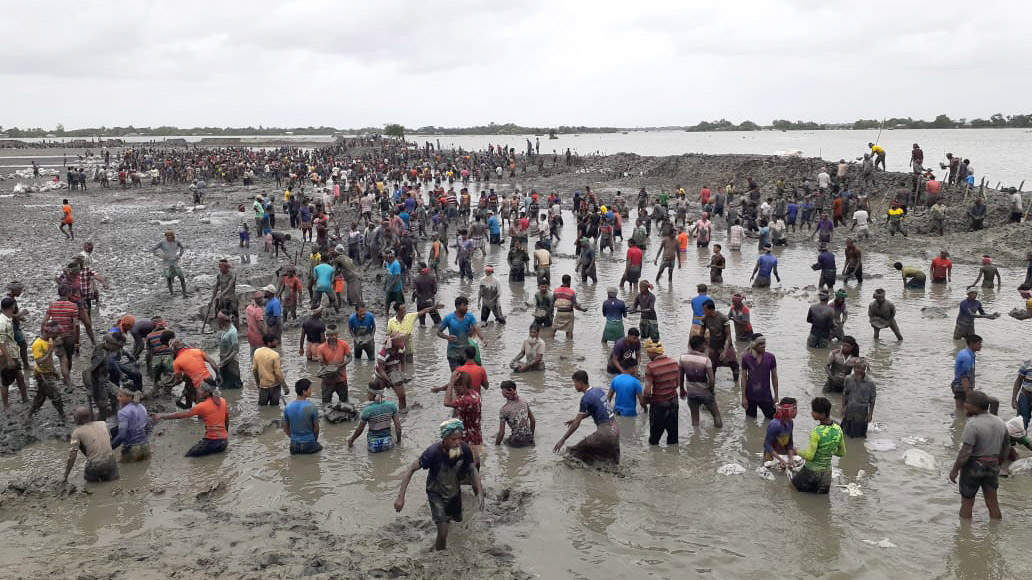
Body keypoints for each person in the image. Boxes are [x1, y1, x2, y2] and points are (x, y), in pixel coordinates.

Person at [394, 419, 483, 551]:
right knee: (443, 531)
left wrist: (479, 492)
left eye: (459, 438)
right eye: (453, 439)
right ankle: (440, 555)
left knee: (455, 521)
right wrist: (400, 497)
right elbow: (410, 469)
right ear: (445, 439)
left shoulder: (463, 449)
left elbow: (472, 469)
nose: (457, 442)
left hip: (453, 491)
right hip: (436, 493)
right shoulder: (433, 452)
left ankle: (437, 545)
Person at [949, 391, 1008, 520]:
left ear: (976, 406)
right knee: (993, 503)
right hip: (992, 466)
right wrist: (999, 464)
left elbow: (965, 452)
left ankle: (964, 535)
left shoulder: (972, 424)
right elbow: (1005, 448)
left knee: (967, 503)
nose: (965, 405)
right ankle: (995, 533)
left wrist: (954, 470)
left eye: (967, 403)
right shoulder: (1000, 423)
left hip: (973, 467)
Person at [553, 370, 620, 463]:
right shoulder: (599, 390)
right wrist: (576, 419)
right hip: (616, 431)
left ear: (580, 383)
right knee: (612, 462)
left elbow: (576, 424)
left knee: (572, 452)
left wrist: (562, 439)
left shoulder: (585, 398)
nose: (574, 386)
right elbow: (596, 409)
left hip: (604, 434)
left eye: (575, 383)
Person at [153, 381, 229, 457]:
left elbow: (180, 415)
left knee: (188, 457)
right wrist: (225, 436)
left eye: (201, 389)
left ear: (207, 392)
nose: (199, 391)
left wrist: (162, 415)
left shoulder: (202, 406)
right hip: (224, 443)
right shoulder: (223, 401)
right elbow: (226, 420)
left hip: (211, 443)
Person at [791, 397, 845, 494]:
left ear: (822, 414)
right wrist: (829, 450)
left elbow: (809, 456)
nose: (812, 413)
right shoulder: (838, 429)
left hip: (811, 471)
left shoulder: (816, 432)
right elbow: (842, 453)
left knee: (792, 488)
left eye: (814, 411)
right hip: (827, 474)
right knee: (821, 500)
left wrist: (796, 451)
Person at [63, 407, 118, 483]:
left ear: (77, 419)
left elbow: (72, 456)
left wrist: (65, 476)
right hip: (111, 463)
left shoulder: (77, 432)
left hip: (95, 466)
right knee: (114, 484)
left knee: (92, 487)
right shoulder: (103, 424)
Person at [678, 334, 722, 428]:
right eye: (704, 345)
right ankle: (718, 435)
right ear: (701, 345)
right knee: (716, 415)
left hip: (691, 393)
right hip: (705, 393)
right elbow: (712, 380)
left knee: (695, 419)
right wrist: (711, 390)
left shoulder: (682, 358)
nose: (705, 347)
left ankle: (695, 438)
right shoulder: (706, 360)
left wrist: (681, 389)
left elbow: (680, 376)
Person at [643, 340, 680, 445]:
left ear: (652, 352)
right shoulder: (674, 362)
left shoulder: (650, 367)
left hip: (659, 404)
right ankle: (673, 457)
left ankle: (655, 459)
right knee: (673, 436)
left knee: (654, 439)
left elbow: (647, 391)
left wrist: (646, 401)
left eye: (647, 352)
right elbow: (677, 383)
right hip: (673, 401)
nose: (647, 354)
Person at [951, 334, 1000, 414]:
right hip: (962, 387)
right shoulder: (967, 357)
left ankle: (959, 422)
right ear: (971, 344)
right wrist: (969, 395)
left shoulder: (966, 353)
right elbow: (964, 378)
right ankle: (992, 420)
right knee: (994, 401)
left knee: (961, 410)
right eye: (979, 344)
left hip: (959, 386)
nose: (980, 346)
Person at [349, 382, 401, 452]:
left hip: (373, 446)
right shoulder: (392, 406)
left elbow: (360, 430)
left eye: (367, 393)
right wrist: (398, 441)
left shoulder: (367, 410)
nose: (367, 395)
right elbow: (398, 427)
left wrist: (351, 440)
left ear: (372, 394)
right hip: (388, 444)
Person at [437, 297, 485, 371]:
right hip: (452, 353)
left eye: (466, 305)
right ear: (457, 306)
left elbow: (477, 328)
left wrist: (483, 338)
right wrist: (447, 337)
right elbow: (439, 332)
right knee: (456, 376)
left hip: (466, 354)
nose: (466, 308)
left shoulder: (470, 316)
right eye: (464, 305)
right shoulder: (449, 318)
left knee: (467, 376)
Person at [29, 321, 65, 418]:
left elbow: (50, 360)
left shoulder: (49, 340)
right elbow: (39, 361)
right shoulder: (37, 344)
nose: (57, 336)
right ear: (49, 332)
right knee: (56, 395)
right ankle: (63, 416)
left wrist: (54, 371)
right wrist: (49, 351)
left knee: (41, 396)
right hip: (41, 374)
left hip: (47, 372)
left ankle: (29, 415)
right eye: (56, 334)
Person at [740, 335, 779, 419]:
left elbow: (774, 377)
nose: (764, 346)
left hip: (766, 396)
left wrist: (776, 396)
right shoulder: (746, 358)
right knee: (750, 422)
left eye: (764, 343)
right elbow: (743, 377)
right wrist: (743, 397)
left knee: (772, 419)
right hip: (750, 396)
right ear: (754, 345)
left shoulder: (770, 357)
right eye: (761, 344)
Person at [111, 388, 151, 462]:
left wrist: (110, 448)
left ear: (129, 397)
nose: (117, 398)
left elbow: (122, 435)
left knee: (125, 472)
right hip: (145, 446)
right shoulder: (142, 407)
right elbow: (145, 426)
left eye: (121, 396)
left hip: (132, 448)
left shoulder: (123, 412)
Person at [317, 324, 353, 406]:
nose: (334, 337)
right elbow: (321, 364)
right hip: (327, 380)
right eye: (332, 335)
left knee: (344, 402)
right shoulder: (321, 348)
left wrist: (342, 364)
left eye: (336, 335)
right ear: (327, 335)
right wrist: (322, 365)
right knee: (326, 403)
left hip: (341, 378)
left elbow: (350, 357)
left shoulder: (344, 344)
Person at [283, 379, 321, 455]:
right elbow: (316, 429)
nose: (311, 390)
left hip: (294, 446)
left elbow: (285, 429)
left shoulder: (288, 407)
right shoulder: (312, 407)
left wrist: (294, 438)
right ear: (304, 391)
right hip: (309, 444)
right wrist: (314, 441)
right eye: (310, 388)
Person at [841, 358, 876, 438]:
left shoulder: (870, 383)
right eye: (857, 367)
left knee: (860, 436)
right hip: (849, 410)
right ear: (853, 368)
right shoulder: (848, 379)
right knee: (845, 434)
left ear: (865, 369)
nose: (859, 370)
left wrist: (870, 414)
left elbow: (872, 400)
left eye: (862, 369)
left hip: (862, 412)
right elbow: (844, 394)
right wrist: (843, 408)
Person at [496, 380, 535, 447]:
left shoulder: (504, 410)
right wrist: (531, 437)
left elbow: (501, 433)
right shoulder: (524, 401)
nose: (502, 392)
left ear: (506, 392)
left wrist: (496, 445)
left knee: (501, 440)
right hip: (530, 441)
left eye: (502, 390)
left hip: (516, 442)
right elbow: (533, 421)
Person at [252, 334, 288, 407]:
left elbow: (254, 370)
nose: (277, 342)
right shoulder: (275, 355)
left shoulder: (257, 352)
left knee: (262, 407)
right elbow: (278, 373)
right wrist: (285, 387)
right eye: (275, 341)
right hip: (275, 387)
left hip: (263, 386)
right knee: (275, 407)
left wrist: (258, 383)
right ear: (269, 343)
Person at [151, 231, 188, 297]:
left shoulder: (176, 241)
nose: (169, 237)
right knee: (169, 278)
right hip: (167, 263)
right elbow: (153, 249)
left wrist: (180, 254)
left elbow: (182, 247)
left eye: (170, 235)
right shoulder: (162, 242)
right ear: (165, 236)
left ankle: (184, 293)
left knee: (181, 277)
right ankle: (171, 293)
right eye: (167, 235)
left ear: (173, 235)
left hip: (175, 262)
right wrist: (160, 255)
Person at [763, 398, 798, 468]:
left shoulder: (790, 423)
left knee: (796, 453)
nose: (797, 412)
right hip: (772, 452)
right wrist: (780, 459)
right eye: (795, 409)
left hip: (783, 449)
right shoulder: (774, 425)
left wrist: (791, 459)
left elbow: (790, 443)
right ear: (789, 411)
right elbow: (767, 445)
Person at [552, 275, 586, 340]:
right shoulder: (572, 292)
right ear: (569, 281)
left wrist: (550, 313)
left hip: (559, 312)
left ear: (562, 281)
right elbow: (575, 305)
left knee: (554, 329)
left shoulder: (556, 290)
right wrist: (582, 309)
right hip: (569, 313)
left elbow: (552, 303)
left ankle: (550, 342)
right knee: (569, 330)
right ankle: (569, 346)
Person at [215, 312, 242, 390]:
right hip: (224, 362)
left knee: (235, 386)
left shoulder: (232, 332)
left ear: (225, 320)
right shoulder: (225, 329)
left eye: (219, 319)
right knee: (223, 384)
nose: (217, 320)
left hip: (231, 363)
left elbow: (236, 350)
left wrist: (225, 360)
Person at [1013, 359, 1032, 429]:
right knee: (1021, 423)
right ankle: (1020, 438)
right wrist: (1014, 399)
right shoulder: (1027, 364)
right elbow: (1018, 380)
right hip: (1025, 396)